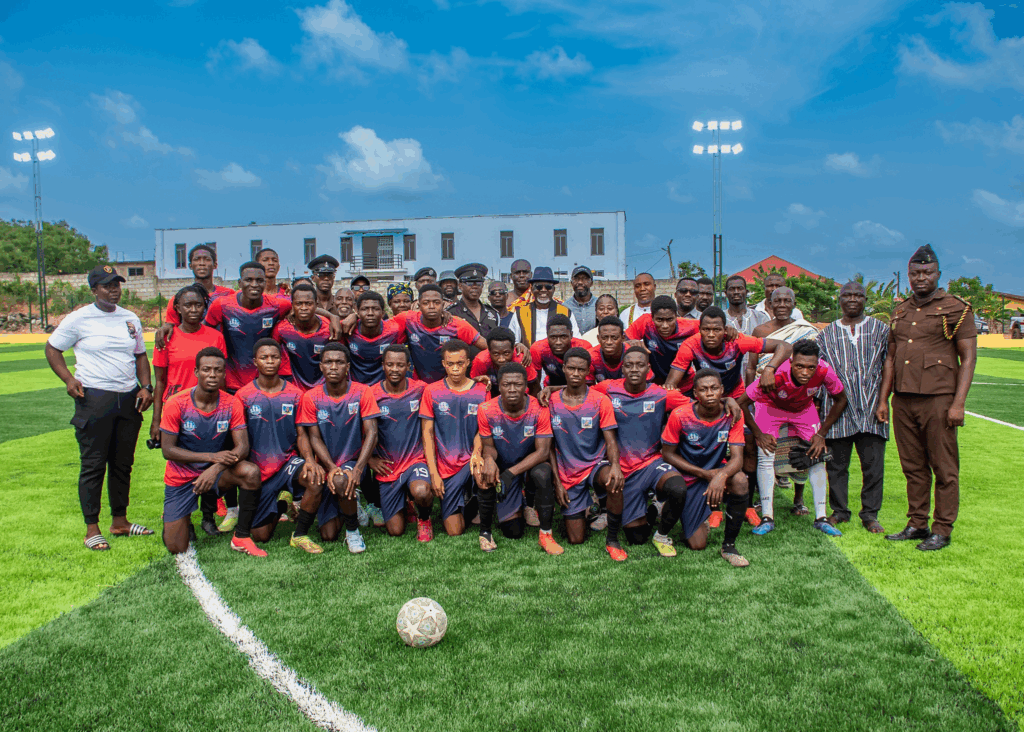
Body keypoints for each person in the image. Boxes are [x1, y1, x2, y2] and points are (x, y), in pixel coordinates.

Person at [45, 264, 155, 551]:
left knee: (123, 464)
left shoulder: (130, 318)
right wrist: (68, 379)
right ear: (94, 290)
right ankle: (91, 529)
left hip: (128, 399)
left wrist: (146, 386)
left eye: (117, 284)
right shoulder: (79, 318)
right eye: (107, 286)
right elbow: (52, 348)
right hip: (94, 398)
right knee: (94, 465)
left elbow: (141, 355)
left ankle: (120, 521)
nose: (114, 290)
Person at [877, 244, 977, 551]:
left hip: (938, 398)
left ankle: (942, 529)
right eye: (915, 273)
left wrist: (958, 403)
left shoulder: (956, 308)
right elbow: (891, 359)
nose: (921, 278)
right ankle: (917, 523)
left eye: (927, 272)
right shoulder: (901, 310)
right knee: (913, 467)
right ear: (908, 275)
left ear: (938, 274)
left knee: (944, 468)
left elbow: (968, 358)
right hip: (904, 399)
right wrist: (883, 400)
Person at [739, 338, 848, 536]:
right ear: (790, 362)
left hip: (802, 410)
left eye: (810, 367)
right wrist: (758, 434)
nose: (805, 372)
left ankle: (821, 518)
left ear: (817, 364)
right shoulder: (777, 373)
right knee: (766, 455)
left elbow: (841, 399)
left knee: (816, 455)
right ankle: (767, 517)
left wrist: (821, 434)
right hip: (770, 408)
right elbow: (741, 403)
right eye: (799, 366)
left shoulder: (824, 371)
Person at [158, 347, 260, 555]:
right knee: (176, 547)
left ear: (224, 373)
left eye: (218, 370)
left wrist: (214, 468)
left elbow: (242, 447)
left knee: (250, 472)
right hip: (182, 477)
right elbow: (167, 450)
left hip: (217, 475)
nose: (212, 375)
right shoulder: (177, 403)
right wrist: (211, 457)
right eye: (206, 370)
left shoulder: (231, 403)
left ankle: (241, 536)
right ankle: (183, 518)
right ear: (196, 372)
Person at [592, 348, 690, 557]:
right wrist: (550, 390)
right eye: (629, 365)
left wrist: (728, 401)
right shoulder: (607, 388)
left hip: (650, 464)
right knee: (637, 538)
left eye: (640, 365)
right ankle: (653, 509)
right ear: (622, 368)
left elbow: (697, 407)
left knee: (678, 488)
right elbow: (580, 392)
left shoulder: (662, 394)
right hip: (620, 465)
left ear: (648, 368)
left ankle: (662, 534)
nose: (634, 369)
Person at [151, 284, 227, 536]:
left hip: (210, 409)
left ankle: (208, 516)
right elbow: (160, 380)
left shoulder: (214, 336)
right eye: (188, 305)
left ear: (205, 307)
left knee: (210, 460)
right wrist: (156, 420)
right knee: (179, 462)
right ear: (177, 308)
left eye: (198, 305)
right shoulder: (167, 336)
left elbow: (220, 374)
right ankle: (184, 517)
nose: (193, 310)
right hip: (178, 411)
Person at [235, 339, 324, 554]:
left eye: (274, 357)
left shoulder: (295, 394)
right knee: (261, 536)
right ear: (255, 361)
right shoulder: (243, 396)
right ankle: (283, 503)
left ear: (281, 359)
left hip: (287, 463)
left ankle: (300, 534)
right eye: (264, 357)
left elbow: (302, 433)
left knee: (314, 477)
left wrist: (310, 461)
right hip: (258, 471)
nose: (270, 361)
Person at [658, 369, 751, 567]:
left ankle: (729, 546)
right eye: (704, 389)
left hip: (716, 472)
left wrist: (721, 476)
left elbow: (737, 459)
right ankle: (674, 509)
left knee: (741, 480)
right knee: (697, 544)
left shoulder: (732, 414)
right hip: (688, 477)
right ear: (695, 394)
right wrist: (704, 474)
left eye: (714, 388)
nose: (710, 393)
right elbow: (668, 454)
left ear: (722, 390)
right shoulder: (680, 415)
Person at [817, 281, 890, 533]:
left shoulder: (881, 329)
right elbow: (819, 372)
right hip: (838, 411)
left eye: (858, 295)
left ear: (865, 299)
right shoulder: (825, 335)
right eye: (847, 295)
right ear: (839, 299)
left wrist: (883, 401)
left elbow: (888, 366)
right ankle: (840, 511)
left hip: (872, 409)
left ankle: (870, 515)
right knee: (836, 466)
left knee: (873, 467)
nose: (852, 299)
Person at [294, 343, 381, 553]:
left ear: (348, 366)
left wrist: (359, 468)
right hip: (326, 464)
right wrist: (331, 467)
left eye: (339, 362)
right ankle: (351, 505)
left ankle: (353, 532)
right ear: (321, 366)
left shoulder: (362, 392)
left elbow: (372, 433)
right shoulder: (311, 397)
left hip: (352, 461)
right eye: (329, 362)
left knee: (342, 480)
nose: (334, 367)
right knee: (328, 534)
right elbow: (313, 437)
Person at [547, 348, 625, 558]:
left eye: (580, 369)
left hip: (595, 465)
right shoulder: (550, 401)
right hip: (567, 473)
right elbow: (549, 448)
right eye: (570, 368)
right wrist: (557, 482)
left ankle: (613, 540)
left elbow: (611, 440)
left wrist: (616, 466)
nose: (575, 373)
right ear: (563, 368)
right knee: (576, 539)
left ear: (588, 371)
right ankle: (591, 507)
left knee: (613, 480)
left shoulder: (600, 401)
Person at [748, 287, 818, 513]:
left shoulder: (805, 331)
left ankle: (799, 499)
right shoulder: (760, 330)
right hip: (766, 398)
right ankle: (763, 498)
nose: (781, 304)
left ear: (794, 304)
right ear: (769, 303)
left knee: (799, 446)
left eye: (787, 301)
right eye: (777, 300)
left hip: (798, 399)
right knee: (766, 448)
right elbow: (751, 366)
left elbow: (812, 367)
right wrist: (751, 395)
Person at [476, 363, 557, 553]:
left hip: (527, 467)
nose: (512, 389)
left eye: (518, 384)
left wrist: (511, 474)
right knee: (513, 532)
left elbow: (543, 452)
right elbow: (489, 447)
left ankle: (546, 534)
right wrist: (488, 459)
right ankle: (485, 532)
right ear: (499, 385)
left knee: (543, 472)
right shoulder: (486, 409)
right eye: (506, 384)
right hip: (504, 467)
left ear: (525, 386)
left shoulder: (540, 408)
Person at [420, 340, 490, 537]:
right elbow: (427, 433)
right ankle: (467, 503)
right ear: (443, 364)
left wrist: (476, 453)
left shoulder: (481, 390)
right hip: (445, 466)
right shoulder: (431, 391)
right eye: (450, 364)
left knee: (483, 473)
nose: (455, 368)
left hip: (470, 461)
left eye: (460, 363)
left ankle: (480, 505)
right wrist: (433, 473)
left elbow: (483, 429)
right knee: (454, 531)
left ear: (468, 362)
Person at [368, 345, 433, 540]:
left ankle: (424, 518)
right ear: (383, 366)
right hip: (388, 467)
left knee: (421, 492)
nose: (394, 369)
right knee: (395, 531)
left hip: (415, 460)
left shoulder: (421, 389)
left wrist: (479, 382)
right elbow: (362, 432)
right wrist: (370, 459)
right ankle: (406, 503)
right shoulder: (372, 394)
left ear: (408, 366)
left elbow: (447, 390)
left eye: (399, 365)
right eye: (390, 364)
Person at [203, 262, 292, 393]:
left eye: (259, 280)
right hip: (231, 384)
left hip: (263, 383)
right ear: (239, 283)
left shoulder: (277, 305)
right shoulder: (222, 305)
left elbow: (306, 308)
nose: (254, 284)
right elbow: (204, 332)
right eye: (249, 280)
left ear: (265, 282)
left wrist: (332, 317)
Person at [667, 306, 790, 398]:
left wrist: (769, 369)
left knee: (744, 428)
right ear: (699, 330)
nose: (711, 335)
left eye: (716, 330)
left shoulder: (737, 341)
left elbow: (784, 346)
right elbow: (671, 384)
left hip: (734, 394)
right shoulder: (690, 345)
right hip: (706, 397)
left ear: (725, 330)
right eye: (706, 329)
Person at [157, 245, 235, 336]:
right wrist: (165, 328)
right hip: (191, 348)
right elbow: (171, 326)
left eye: (207, 259)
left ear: (215, 265)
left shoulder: (229, 295)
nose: (202, 263)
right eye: (197, 259)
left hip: (221, 348)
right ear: (190, 265)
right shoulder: (178, 299)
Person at [624, 296, 700, 385]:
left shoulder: (691, 326)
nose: (665, 326)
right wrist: (630, 343)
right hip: (653, 385)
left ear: (676, 316)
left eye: (669, 320)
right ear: (652, 317)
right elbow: (619, 343)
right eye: (659, 320)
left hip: (685, 384)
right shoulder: (645, 322)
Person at [274, 283, 331, 392]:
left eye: (308, 304)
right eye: (299, 304)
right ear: (292, 305)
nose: (303, 308)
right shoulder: (282, 329)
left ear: (316, 304)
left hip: (323, 391)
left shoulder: (329, 328)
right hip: (294, 390)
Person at [345, 291, 406, 385]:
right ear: (357, 311)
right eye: (365, 309)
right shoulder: (347, 329)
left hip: (383, 390)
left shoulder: (395, 330)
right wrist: (333, 316)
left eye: (375, 309)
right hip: (357, 390)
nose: (370, 313)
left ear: (383, 312)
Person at [510, 266, 581, 346]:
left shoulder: (566, 312)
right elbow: (512, 341)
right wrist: (518, 345)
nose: (543, 290)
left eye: (548, 287)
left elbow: (576, 340)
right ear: (532, 289)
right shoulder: (520, 313)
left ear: (553, 290)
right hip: (529, 357)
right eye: (539, 287)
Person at [471, 327, 539, 398]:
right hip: (491, 399)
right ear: (489, 351)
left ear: (513, 349)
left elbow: (534, 387)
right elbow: (473, 386)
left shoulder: (522, 360)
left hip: (519, 399)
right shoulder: (481, 361)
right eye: (496, 354)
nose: (501, 359)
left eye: (506, 353)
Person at [531, 314, 591, 388]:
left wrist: (554, 389)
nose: (558, 342)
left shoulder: (584, 348)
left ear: (571, 335)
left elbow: (588, 384)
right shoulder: (538, 349)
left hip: (578, 390)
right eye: (553, 337)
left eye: (563, 337)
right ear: (547, 335)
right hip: (550, 387)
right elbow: (534, 381)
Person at [447, 263, 500, 340]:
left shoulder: (493, 313)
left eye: (478, 283)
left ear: (482, 286)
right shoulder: (451, 313)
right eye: (470, 283)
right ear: (460, 286)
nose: (474, 286)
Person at [588, 316, 629, 383]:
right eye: (604, 337)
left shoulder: (632, 354)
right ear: (598, 338)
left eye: (614, 338)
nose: (609, 342)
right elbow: (587, 389)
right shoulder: (591, 356)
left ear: (623, 338)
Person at [566, 265, 598, 334]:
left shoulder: (599, 305)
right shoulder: (564, 307)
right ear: (571, 283)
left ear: (591, 283)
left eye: (584, 279)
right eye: (576, 279)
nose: (580, 282)